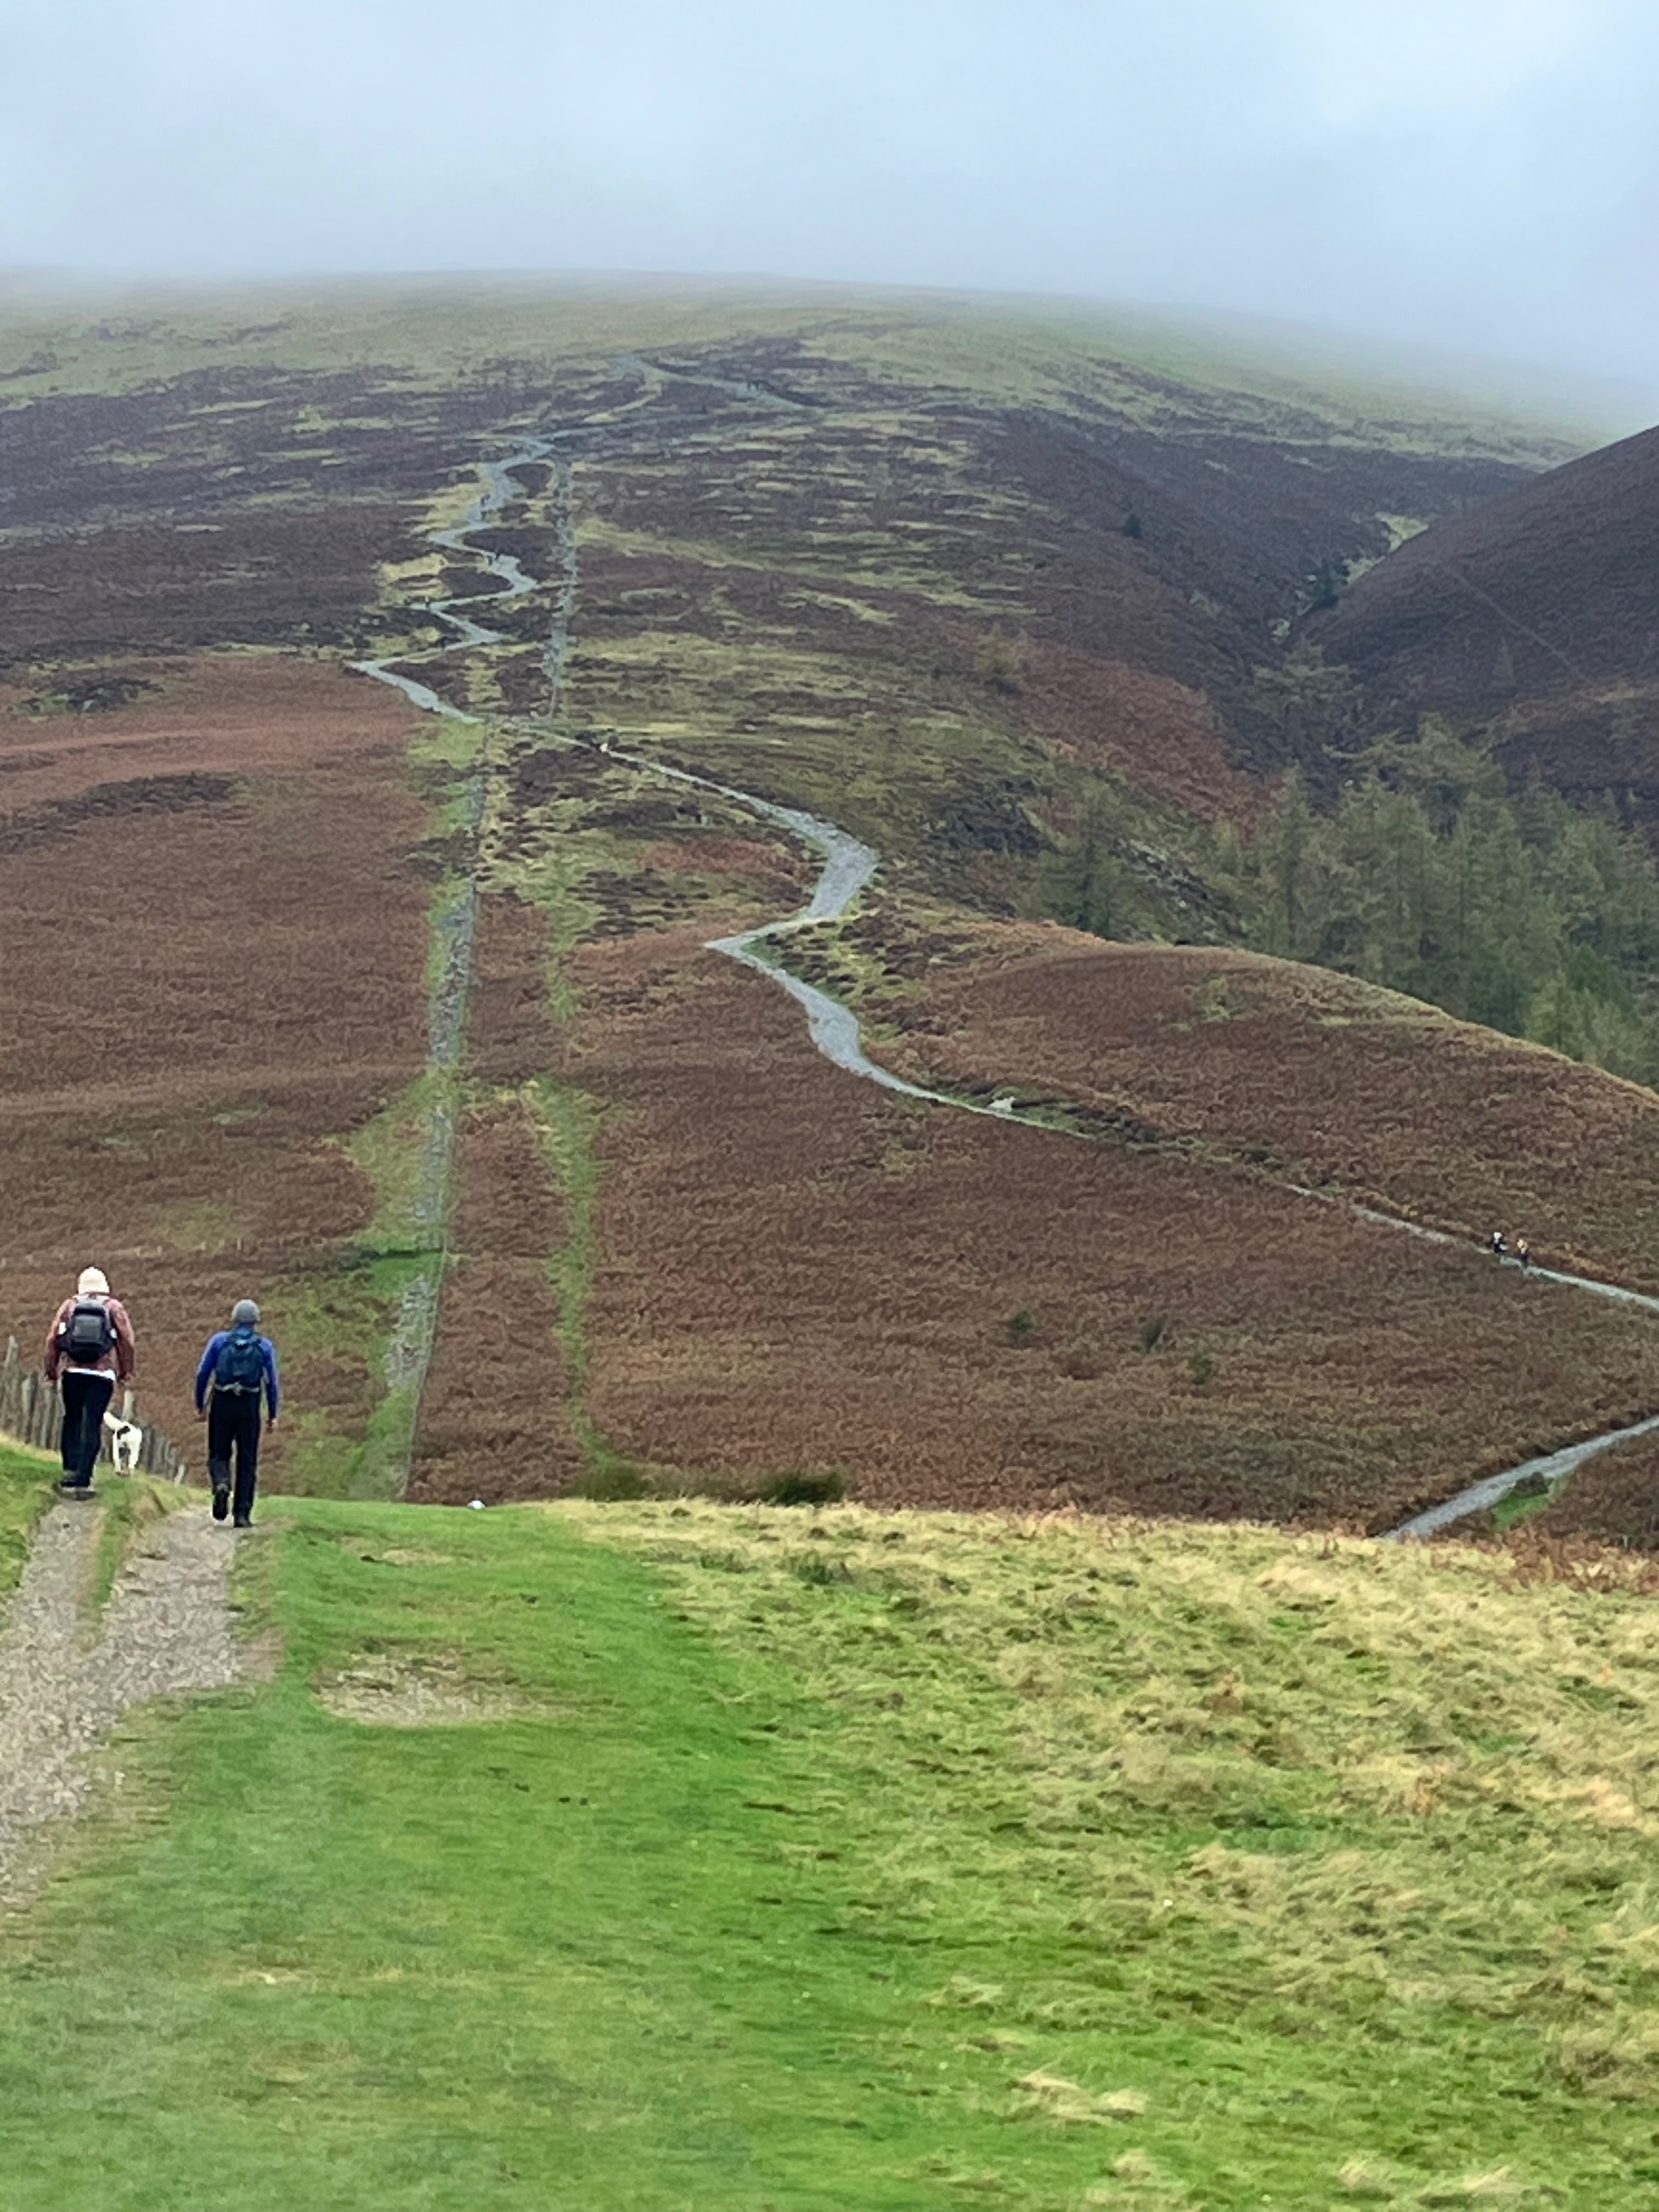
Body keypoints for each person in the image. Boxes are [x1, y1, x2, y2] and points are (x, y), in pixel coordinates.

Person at [43, 1266, 137, 1499]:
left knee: (72, 1419)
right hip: (102, 1376)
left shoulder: (70, 1306)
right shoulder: (113, 1307)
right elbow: (127, 1341)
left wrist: (52, 1371)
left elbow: (52, 1339)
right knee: (92, 1422)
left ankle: (70, 1472)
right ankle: (84, 1480)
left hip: (72, 1373)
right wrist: (125, 1371)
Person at [194, 1299, 279, 1528]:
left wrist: (200, 1404)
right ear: (256, 1321)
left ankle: (222, 1483)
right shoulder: (264, 1346)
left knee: (219, 1453)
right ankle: (242, 1514)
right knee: (247, 1460)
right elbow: (272, 1383)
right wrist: (273, 1413)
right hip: (249, 1404)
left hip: (222, 1401)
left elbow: (202, 1373)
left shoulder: (219, 1342)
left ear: (234, 1319)